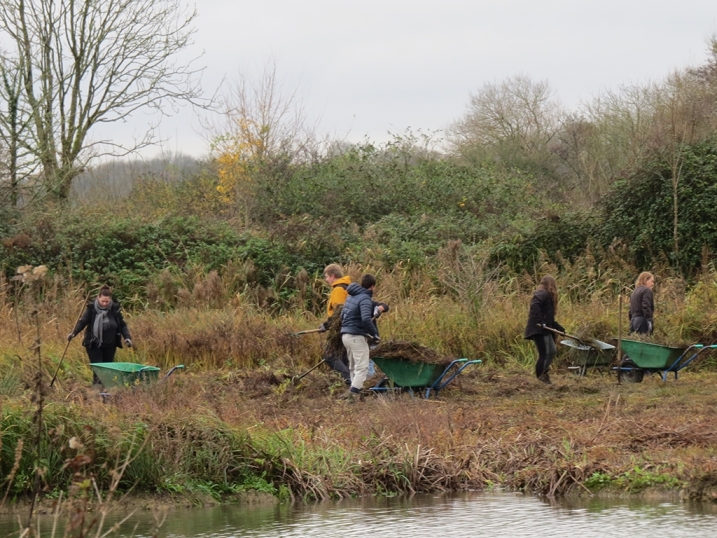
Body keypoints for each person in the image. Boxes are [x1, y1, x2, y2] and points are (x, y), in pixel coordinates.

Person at [68, 285, 133, 385]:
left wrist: (127, 338)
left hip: (110, 345)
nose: (105, 304)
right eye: (103, 301)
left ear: (110, 300)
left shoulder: (115, 310)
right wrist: (73, 333)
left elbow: (122, 325)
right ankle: (96, 393)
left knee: (107, 370)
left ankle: (104, 393)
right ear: (98, 297)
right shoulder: (91, 309)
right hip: (93, 344)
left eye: (107, 302)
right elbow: (83, 322)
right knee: (99, 369)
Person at [340, 274, 380, 400]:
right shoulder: (365, 299)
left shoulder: (351, 296)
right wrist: (375, 335)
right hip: (356, 336)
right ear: (372, 286)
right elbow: (366, 319)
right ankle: (352, 395)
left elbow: (342, 316)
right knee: (363, 367)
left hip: (345, 335)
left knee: (353, 366)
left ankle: (358, 395)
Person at [524, 275, 565, 384]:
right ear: (551, 284)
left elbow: (549, 319)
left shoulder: (547, 296)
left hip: (544, 329)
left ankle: (544, 375)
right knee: (544, 353)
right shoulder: (543, 293)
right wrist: (540, 322)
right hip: (538, 329)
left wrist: (559, 328)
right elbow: (535, 305)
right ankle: (541, 377)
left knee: (551, 351)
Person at [318, 264, 353, 384]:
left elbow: (339, 312)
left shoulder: (338, 290)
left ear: (333, 276)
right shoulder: (346, 287)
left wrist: (327, 325)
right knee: (343, 357)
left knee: (329, 356)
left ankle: (349, 381)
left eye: (327, 277)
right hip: (346, 328)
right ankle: (353, 384)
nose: (326, 280)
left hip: (340, 328)